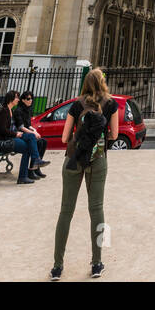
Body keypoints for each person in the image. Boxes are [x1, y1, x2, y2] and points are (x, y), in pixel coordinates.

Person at [51, 67, 119, 280]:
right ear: (103, 83)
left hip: (73, 159)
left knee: (65, 212)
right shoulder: (111, 104)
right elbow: (115, 135)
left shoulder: (76, 104)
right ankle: (97, 263)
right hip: (98, 159)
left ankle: (57, 267)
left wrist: (80, 135)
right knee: (97, 210)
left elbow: (63, 138)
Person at [0, 90, 43, 185]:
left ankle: (32, 165)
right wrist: (16, 134)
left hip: (10, 137)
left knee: (31, 137)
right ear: (11, 99)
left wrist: (17, 133)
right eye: (16, 97)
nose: (18, 99)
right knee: (28, 147)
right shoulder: (3, 111)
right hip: (3, 141)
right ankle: (25, 174)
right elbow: (2, 130)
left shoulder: (10, 110)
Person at [13, 90, 50, 177]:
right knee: (38, 142)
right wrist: (33, 134)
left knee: (43, 142)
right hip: (21, 134)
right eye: (28, 99)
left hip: (27, 133)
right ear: (23, 100)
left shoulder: (28, 110)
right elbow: (21, 127)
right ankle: (32, 169)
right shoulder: (18, 111)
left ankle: (36, 168)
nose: (31, 100)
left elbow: (29, 125)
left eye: (31, 98)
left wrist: (35, 131)